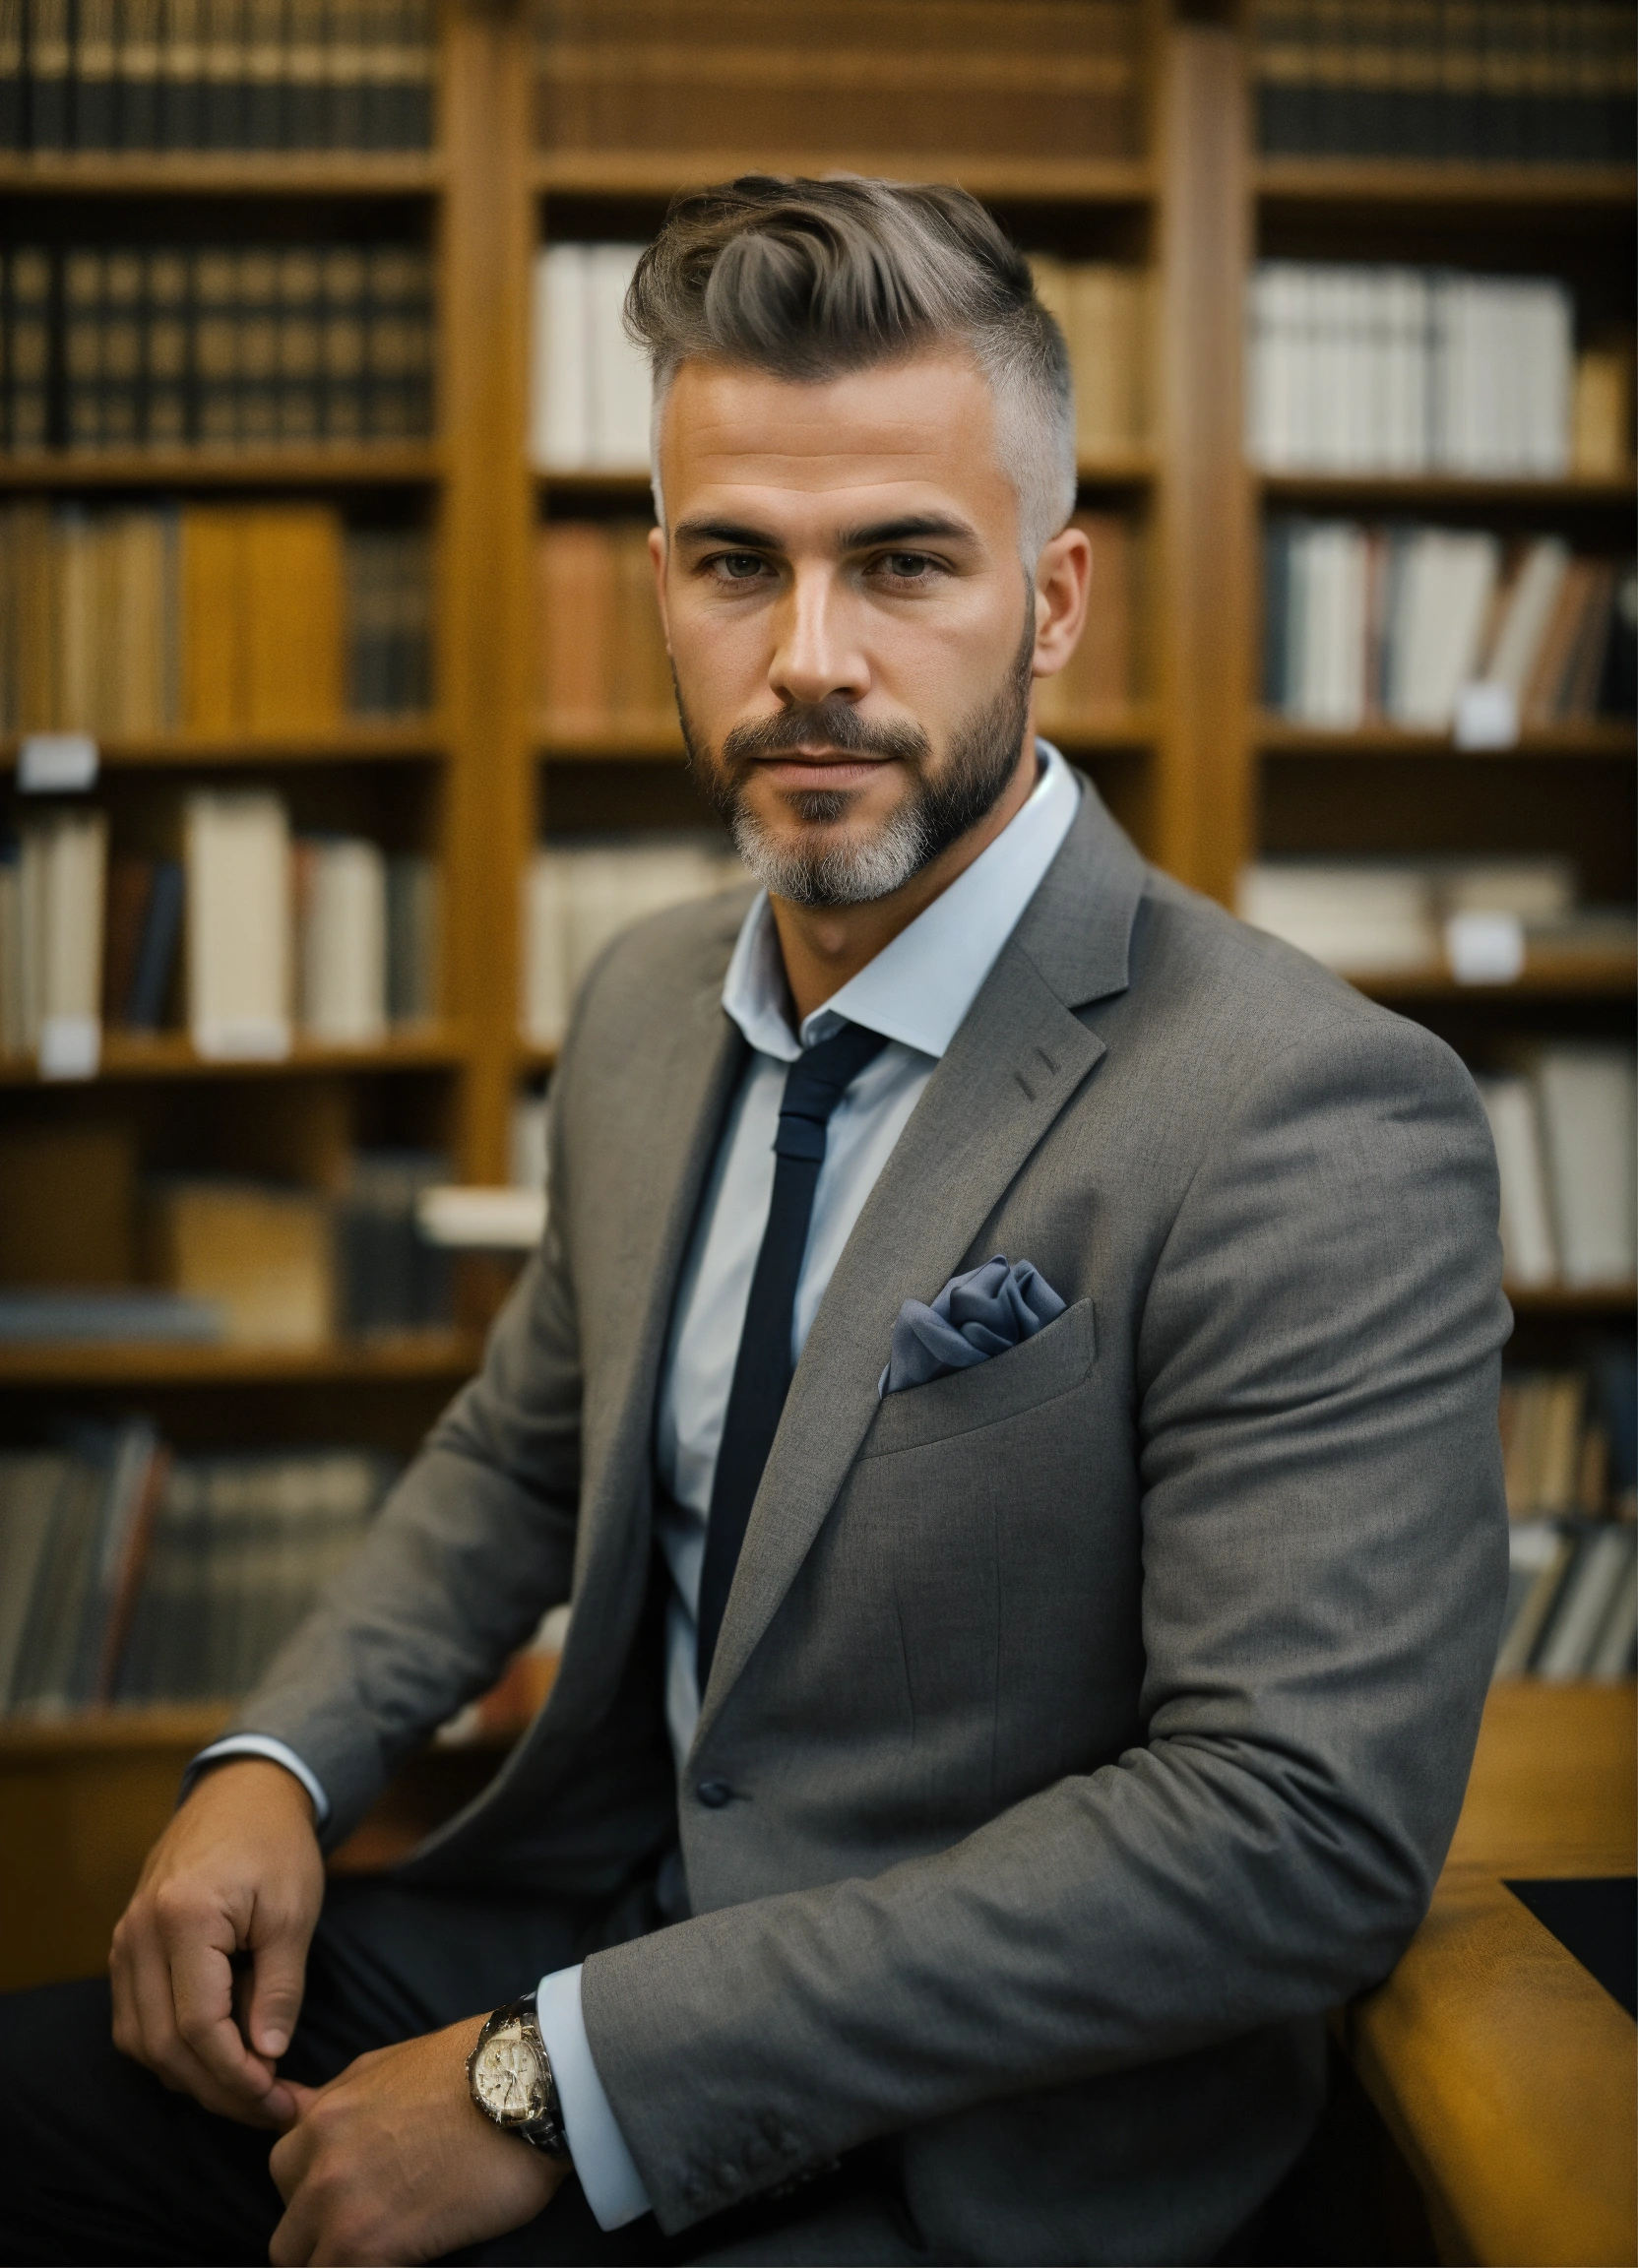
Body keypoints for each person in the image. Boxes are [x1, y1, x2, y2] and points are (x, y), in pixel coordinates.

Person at [0, 175, 1509, 2268]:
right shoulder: (637, 1005)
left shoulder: (1308, 1107)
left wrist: (567, 2078)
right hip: (587, 1911)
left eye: (901, 562)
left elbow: (1292, 1833)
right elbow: (523, 1452)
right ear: (661, 584)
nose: (808, 660)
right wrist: (279, 1755)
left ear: (1054, 598)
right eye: (737, 564)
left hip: (970, 2135)